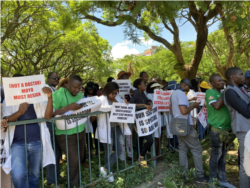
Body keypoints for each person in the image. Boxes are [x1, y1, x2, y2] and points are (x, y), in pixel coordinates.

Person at [2, 74, 55, 188]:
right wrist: (19, 112)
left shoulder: (38, 97)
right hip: (17, 144)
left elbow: (47, 116)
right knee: (18, 175)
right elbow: (6, 120)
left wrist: (50, 97)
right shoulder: (9, 99)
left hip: (37, 142)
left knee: (35, 174)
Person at [52, 75, 86, 188]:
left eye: (79, 88)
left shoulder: (80, 94)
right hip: (65, 134)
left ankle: (74, 181)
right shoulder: (58, 94)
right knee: (74, 161)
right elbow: (51, 114)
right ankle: (73, 185)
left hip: (80, 130)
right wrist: (68, 108)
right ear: (68, 84)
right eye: (74, 87)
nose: (76, 90)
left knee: (79, 158)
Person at [170, 78, 207, 184]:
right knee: (196, 149)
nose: (188, 90)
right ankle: (200, 176)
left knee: (182, 149)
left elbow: (172, 109)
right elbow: (184, 111)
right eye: (188, 88)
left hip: (177, 125)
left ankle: (184, 174)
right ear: (185, 85)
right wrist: (193, 105)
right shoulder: (181, 94)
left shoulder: (174, 93)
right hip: (184, 126)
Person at [206, 74, 236, 188]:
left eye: (222, 80)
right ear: (212, 83)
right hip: (216, 129)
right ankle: (212, 181)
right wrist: (226, 91)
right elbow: (217, 106)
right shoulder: (210, 92)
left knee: (223, 155)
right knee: (216, 154)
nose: (221, 82)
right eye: (218, 81)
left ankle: (223, 179)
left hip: (226, 129)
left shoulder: (223, 92)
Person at [98, 82, 131, 182]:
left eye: (116, 93)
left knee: (120, 149)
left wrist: (125, 105)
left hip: (117, 127)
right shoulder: (101, 99)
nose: (114, 95)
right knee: (108, 151)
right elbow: (99, 109)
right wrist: (111, 108)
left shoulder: (118, 99)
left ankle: (104, 169)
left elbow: (122, 109)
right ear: (107, 91)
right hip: (107, 128)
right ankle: (109, 173)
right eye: (112, 93)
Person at [223, 67, 250, 188]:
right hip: (243, 130)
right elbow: (246, 111)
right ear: (232, 77)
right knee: (246, 164)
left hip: (247, 128)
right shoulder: (229, 92)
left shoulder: (239, 89)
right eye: (241, 74)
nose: (243, 77)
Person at [129, 78, 153, 166]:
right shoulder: (136, 92)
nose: (145, 85)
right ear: (139, 86)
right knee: (150, 140)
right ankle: (142, 156)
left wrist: (150, 103)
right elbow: (131, 104)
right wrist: (143, 105)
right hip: (138, 120)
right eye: (143, 84)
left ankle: (139, 159)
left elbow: (147, 100)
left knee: (140, 139)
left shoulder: (142, 93)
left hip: (144, 119)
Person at [45, 72, 63, 186]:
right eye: (54, 78)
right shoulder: (46, 90)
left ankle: (56, 175)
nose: (56, 79)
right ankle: (51, 179)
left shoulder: (55, 90)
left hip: (57, 122)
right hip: (49, 123)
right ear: (48, 78)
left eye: (58, 78)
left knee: (57, 151)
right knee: (51, 151)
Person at [146, 82, 164, 157]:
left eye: (160, 87)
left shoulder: (161, 96)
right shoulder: (149, 95)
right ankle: (154, 155)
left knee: (159, 136)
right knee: (155, 137)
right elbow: (150, 103)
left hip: (159, 117)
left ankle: (158, 153)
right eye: (157, 87)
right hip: (153, 118)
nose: (159, 89)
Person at [84, 82, 98, 157]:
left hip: (95, 117)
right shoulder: (84, 97)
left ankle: (97, 150)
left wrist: (94, 115)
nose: (91, 90)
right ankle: (89, 151)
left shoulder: (97, 97)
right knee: (88, 135)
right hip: (87, 118)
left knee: (96, 134)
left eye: (92, 89)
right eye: (89, 89)